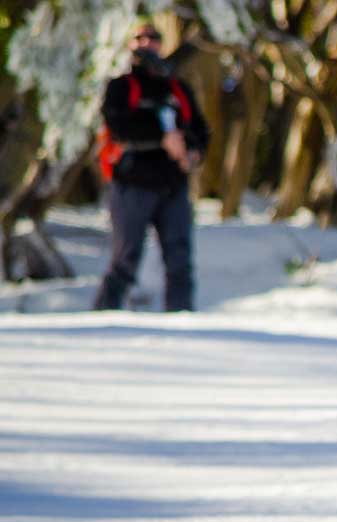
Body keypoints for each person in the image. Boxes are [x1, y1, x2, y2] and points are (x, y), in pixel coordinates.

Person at [92, 23, 210, 312]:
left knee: (179, 260)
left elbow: (201, 130)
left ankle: (182, 323)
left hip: (173, 185)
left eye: (153, 38)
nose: (147, 43)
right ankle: (101, 323)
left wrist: (192, 152)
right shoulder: (122, 87)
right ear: (131, 45)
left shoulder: (177, 89)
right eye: (139, 38)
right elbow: (118, 127)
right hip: (133, 184)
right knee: (125, 260)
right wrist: (160, 138)